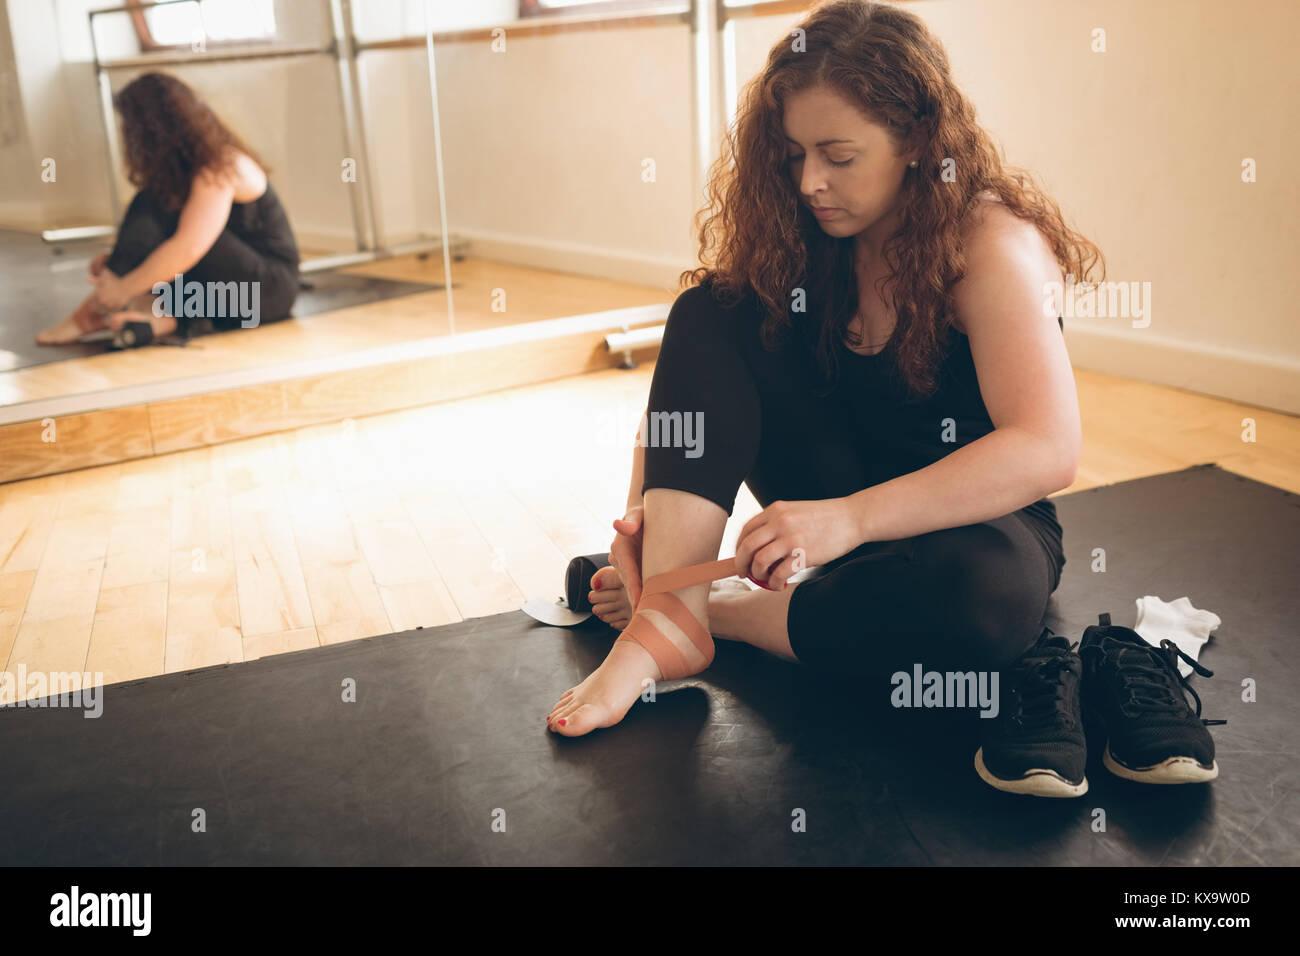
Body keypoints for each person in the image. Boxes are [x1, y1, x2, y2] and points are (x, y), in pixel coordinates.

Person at [546, 0, 1104, 781]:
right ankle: (668, 615)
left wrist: (851, 519)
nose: (810, 181)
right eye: (794, 155)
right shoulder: (802, 237)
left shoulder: (994, 245)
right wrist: (647, 515)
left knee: (982, 601)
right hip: (826, 512)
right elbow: (699, 380)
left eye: (838, 155)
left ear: (915, 139)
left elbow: (1048, 449)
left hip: (962, 526)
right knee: (705, 308)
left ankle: (725, 612)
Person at [37, 72, 299, 347]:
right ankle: (165, 318)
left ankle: (97, 311)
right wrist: (124, 261)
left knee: (156, 205)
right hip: (232, 291)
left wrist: (122, 287)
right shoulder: (193, 170)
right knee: (160, 211)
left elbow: (189, 248)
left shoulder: (221, 165)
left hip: (266, 293)